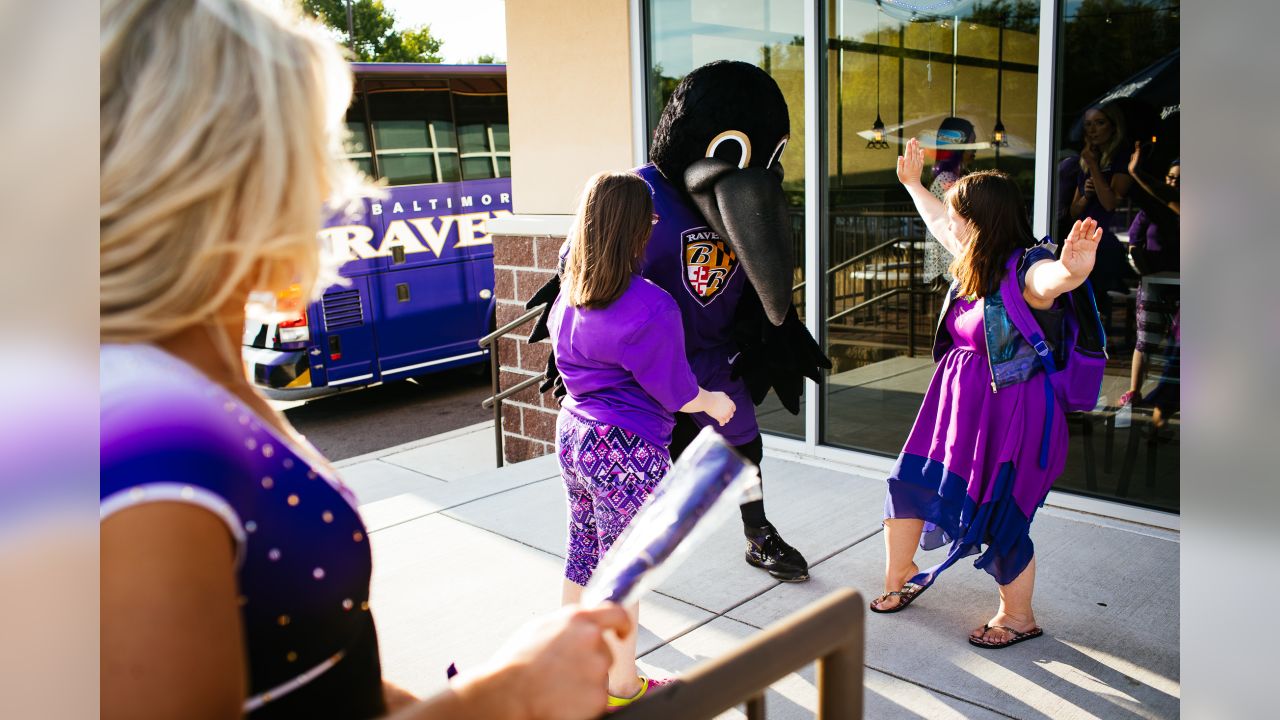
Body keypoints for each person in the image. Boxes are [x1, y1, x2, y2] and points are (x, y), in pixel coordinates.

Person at [100, 1, 630, 718]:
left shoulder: (185, 376)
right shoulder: (145, 437)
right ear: (224, 165)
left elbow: (320, 671)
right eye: (311, 140)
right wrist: (507, 697)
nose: (334, 181)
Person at [869, 138, 1103, 649]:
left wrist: (1072, 271)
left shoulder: (1025, 267)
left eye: (958, 215)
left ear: (979, 221)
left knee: (1002, 513)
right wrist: (912, 184)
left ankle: (1018, 617)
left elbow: (1049, 282)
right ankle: (901, 574)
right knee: (907, 482)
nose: (949, 224)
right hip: (956, 405)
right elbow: (937, 220)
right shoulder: (976, 256)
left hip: (1013, 410)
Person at [548, 171, 737, 709]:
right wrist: (715, 403)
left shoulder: (569, 292)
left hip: (574, 434)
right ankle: (621, 688)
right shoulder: (651, 306)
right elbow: (677, 392)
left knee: (583, 556)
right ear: (633, 227)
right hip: (623, 448)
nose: (655, 226)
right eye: (651, 219)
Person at [1119, 144, 1180, 423]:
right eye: (1170, 177)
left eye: (1179, 178)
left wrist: (1138, 173)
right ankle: (1135, 391)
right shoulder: (1151, 209)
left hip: (1183, 284)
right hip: (1154, 281)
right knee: (1146, 339)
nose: (1172, 182)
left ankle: (1164, 408)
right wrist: (1138, 260)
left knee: (1178, 347)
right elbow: (1134, 240)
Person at [1069, 102, 1134, 325]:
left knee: (1097, 297)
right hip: (1081, 237)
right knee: (1079, 298)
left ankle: (1099, 346)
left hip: (1106, 240)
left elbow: (1110, 204)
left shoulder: (1121, 157)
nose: (1093, 130)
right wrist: (1087, 195)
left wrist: (1095, 168)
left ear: (1114, 127)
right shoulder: (1086, 159)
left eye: (1099, 123)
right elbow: (1074, 210)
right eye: (1088, 125)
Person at [922, 117, 978, 285]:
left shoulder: (948, 175)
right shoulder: (947, 178)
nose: (974, 149)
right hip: (949, 250)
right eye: (971, 143)